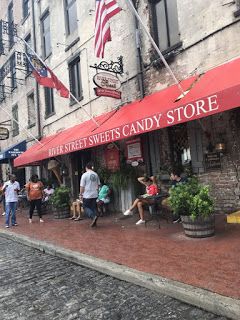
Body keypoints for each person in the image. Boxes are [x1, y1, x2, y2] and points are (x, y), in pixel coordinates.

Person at [80, 162, 100, 227]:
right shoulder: (96, 174)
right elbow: (98, 185)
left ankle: (93, 216)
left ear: (86, 168)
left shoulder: (84, 175)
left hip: (87, 195)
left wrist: (81, 194)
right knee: (93, 207)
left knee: (85, 207)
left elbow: (82, 186)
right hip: (95, 194)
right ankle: (94, 220)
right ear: (91, 167)